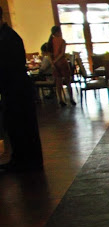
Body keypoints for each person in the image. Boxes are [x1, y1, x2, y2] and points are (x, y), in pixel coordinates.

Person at [0, 6, 44, 172]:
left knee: (22, 127)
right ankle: (21, 159)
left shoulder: (9, 38)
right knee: (16, 127)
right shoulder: (6, 37)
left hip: (17, 90)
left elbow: (8, 66)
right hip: (13, 88)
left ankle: (27, 161)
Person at [47, 26, 75, 106]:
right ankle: (71, 98)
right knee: (68, 81)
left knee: (58, 83)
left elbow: (49, 54)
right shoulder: (62, 41)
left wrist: (52, 62)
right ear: (57, 32)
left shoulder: (50, 42)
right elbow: (62, 53)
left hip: (54, 65)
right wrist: (56, 60)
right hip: (62, 62)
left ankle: (61, 99)